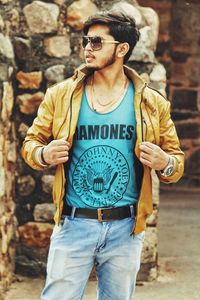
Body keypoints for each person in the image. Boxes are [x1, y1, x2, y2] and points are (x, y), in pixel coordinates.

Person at [22, 11, 184, 300]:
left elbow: (176, 162)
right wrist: (44, 154)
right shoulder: (61, 95)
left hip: (126, 228)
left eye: (97, 42)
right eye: (86, 41)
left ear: (122, 49)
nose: (87, 48)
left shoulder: (151, 103)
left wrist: (165, 162)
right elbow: (31, 144)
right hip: (74, 225)